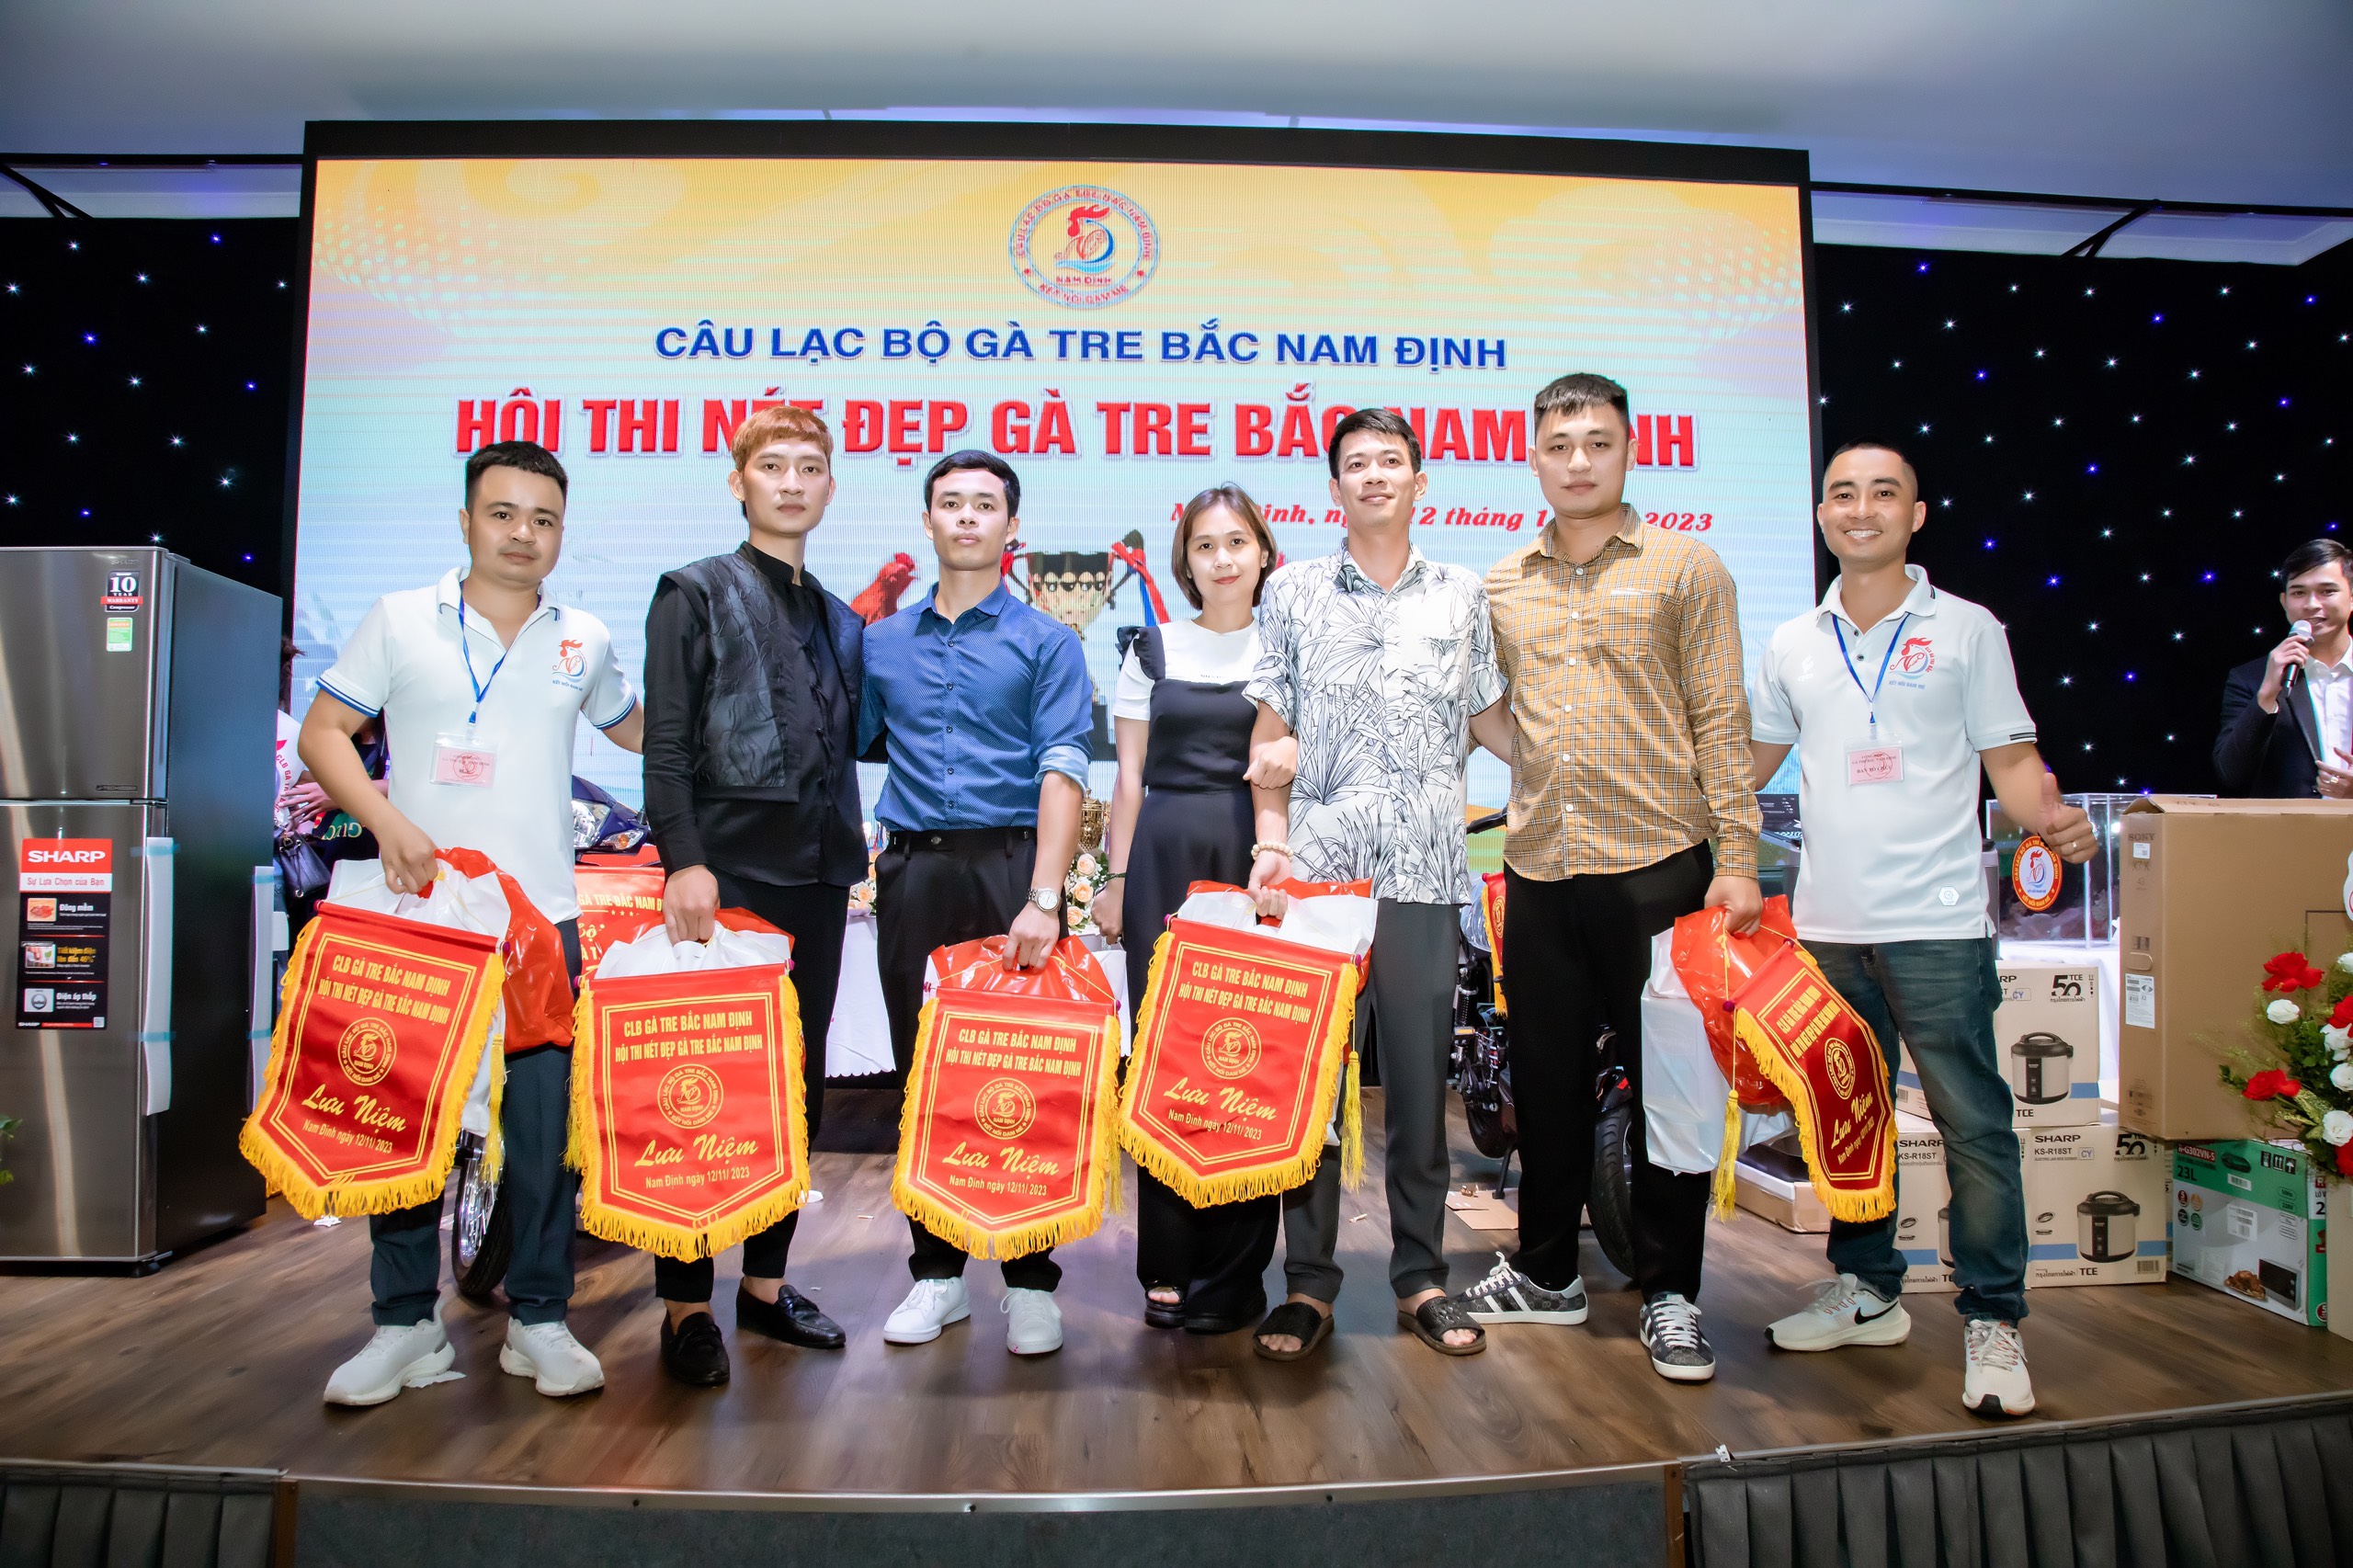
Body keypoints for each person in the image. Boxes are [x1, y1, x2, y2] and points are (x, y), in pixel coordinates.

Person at [1746, 438, 2097, 1418]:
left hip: (1937, 924)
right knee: (1849, 1121)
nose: (1860, 508)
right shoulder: (1792, 641)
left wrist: (2049, 817)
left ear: (1916, 514)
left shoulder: (1968, 629)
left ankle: (1993, 1319)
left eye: (1882, 493)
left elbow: (2011, 759)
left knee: (1973, 1125)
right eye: (1842, 493)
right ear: (1822, 512)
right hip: (1826, 926)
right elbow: (1748, 762)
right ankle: (1866, 1289)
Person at [299, 439, 644, 1405]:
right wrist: (388, 823)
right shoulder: (399, 618)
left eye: (543, 519)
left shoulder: (585, 637)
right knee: (406, 1120)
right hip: (425, 923)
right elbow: (324, 733)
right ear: (465, 521)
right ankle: (404, 1323)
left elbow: (639, 729)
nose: (523, 533)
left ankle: (540, 1318)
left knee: (541, 1133)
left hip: (544, 924)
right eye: (503, 513)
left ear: (561, 532)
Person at [1454, 372, 1759, 1384]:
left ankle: (1671, 1293)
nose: (1578, 460)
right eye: (1558, 444)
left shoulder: (1686, 567)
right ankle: (1549, 1272)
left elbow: (1720, 720)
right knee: (1545, 1087)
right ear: (1533, 458)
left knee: (1671, 1089)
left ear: (1631, 449)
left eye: (1597, 441)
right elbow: (1482, 709)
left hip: (1661, 868)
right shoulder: (1503, 582)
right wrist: (1534, 761)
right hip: (1541, 866)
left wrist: (1739, 859)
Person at [1243, 408, 1511, 1360]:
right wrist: (1270, 843)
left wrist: (1578, 759)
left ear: (1418, 481)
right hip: (1320, 881)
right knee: (1313, 1091)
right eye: (1355, 463)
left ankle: (1421, 1277)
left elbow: (1492, 722)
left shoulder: (1464, 594)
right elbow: (1270, 731)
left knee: (1418, 1092)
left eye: (1389, 460)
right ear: (1334, 488)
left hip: (1426, 875)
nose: (1373, 475)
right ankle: (1307, 1285)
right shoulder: (1293, 591)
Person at [638, 404, 866, 1385]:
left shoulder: (843, 618)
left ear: (829, 486)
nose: (791, 481)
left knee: (793, 1085)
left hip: (819, 875)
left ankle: (764, 1287)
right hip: (724, 874)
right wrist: (682, 859)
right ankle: (686, 1306)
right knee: (701, 1085)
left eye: (810, 466)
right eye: (773, 465)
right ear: (739, 482)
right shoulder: (691, 591)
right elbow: (666, 743)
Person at [858, 449, 1092, 1357]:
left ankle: (1030, 1282)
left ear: (1010, 525)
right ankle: (937, 1274)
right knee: (922, 1074)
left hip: (1011, 870)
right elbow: (852, 740)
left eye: (983, 504)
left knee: (1027, 1070)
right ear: (927, 521)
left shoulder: (1047, 641)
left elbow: (1063, 767)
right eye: (949, 502)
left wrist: (1044, 894)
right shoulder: (880, 643)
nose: (965, 517)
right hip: (913, 871)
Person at [1096, 484, 1281, 1335]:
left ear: (1263, 552)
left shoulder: (1287, 645)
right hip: (1163, 863)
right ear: (1186, 562)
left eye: (1236, 542)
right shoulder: (1152, 647)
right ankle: (1168, 1262)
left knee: (1248, 1057)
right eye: (1205, 545)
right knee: (1166, 1059)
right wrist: (1116, 878)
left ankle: (1237, 1274)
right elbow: (1129, 778)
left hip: (1254, 860)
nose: (1222, 559)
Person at [2214, 538, 2353, 799]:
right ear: (2284, 602)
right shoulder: (2250, 678)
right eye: (2299, 593)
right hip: (2289, 825)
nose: (2312, 604)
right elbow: (2231, 774)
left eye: (2327, 591)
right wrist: (2267, 695)